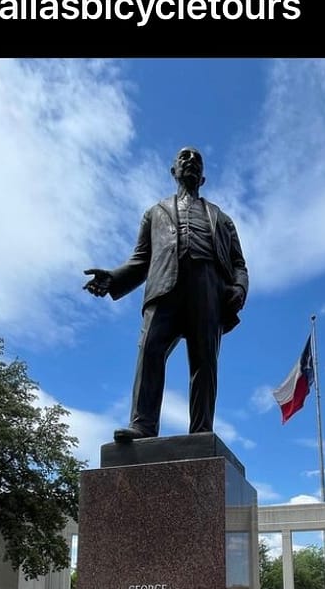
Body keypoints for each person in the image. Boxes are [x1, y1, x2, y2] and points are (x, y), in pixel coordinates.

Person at [83, 146, 248, 441]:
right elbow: (141, 260)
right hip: (164, 289)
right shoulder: (154, 213)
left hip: (208, 289)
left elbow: (239, 264)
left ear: (204, 178)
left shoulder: (222, 220)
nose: (191, 162)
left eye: (197, 160)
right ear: (173, 171)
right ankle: (143, 425)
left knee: (205, 363)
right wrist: (114, 278)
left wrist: (239, 287)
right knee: (149, 351)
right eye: (184, 158)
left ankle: (201, 431)